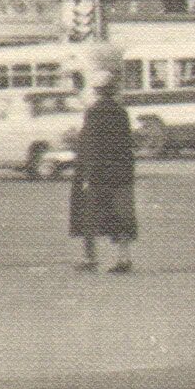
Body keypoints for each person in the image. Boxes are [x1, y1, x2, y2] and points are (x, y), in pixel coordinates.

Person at [69, 67, 138, 272]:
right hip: (121, 172)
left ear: (98, 91)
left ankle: (90, 259)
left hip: (98, 173)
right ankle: (123, 259)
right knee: (122, 216)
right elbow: (126, 143)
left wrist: (86, 173)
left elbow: (90, 144)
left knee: (89, 215)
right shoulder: (121, 112)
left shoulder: (94, 112)